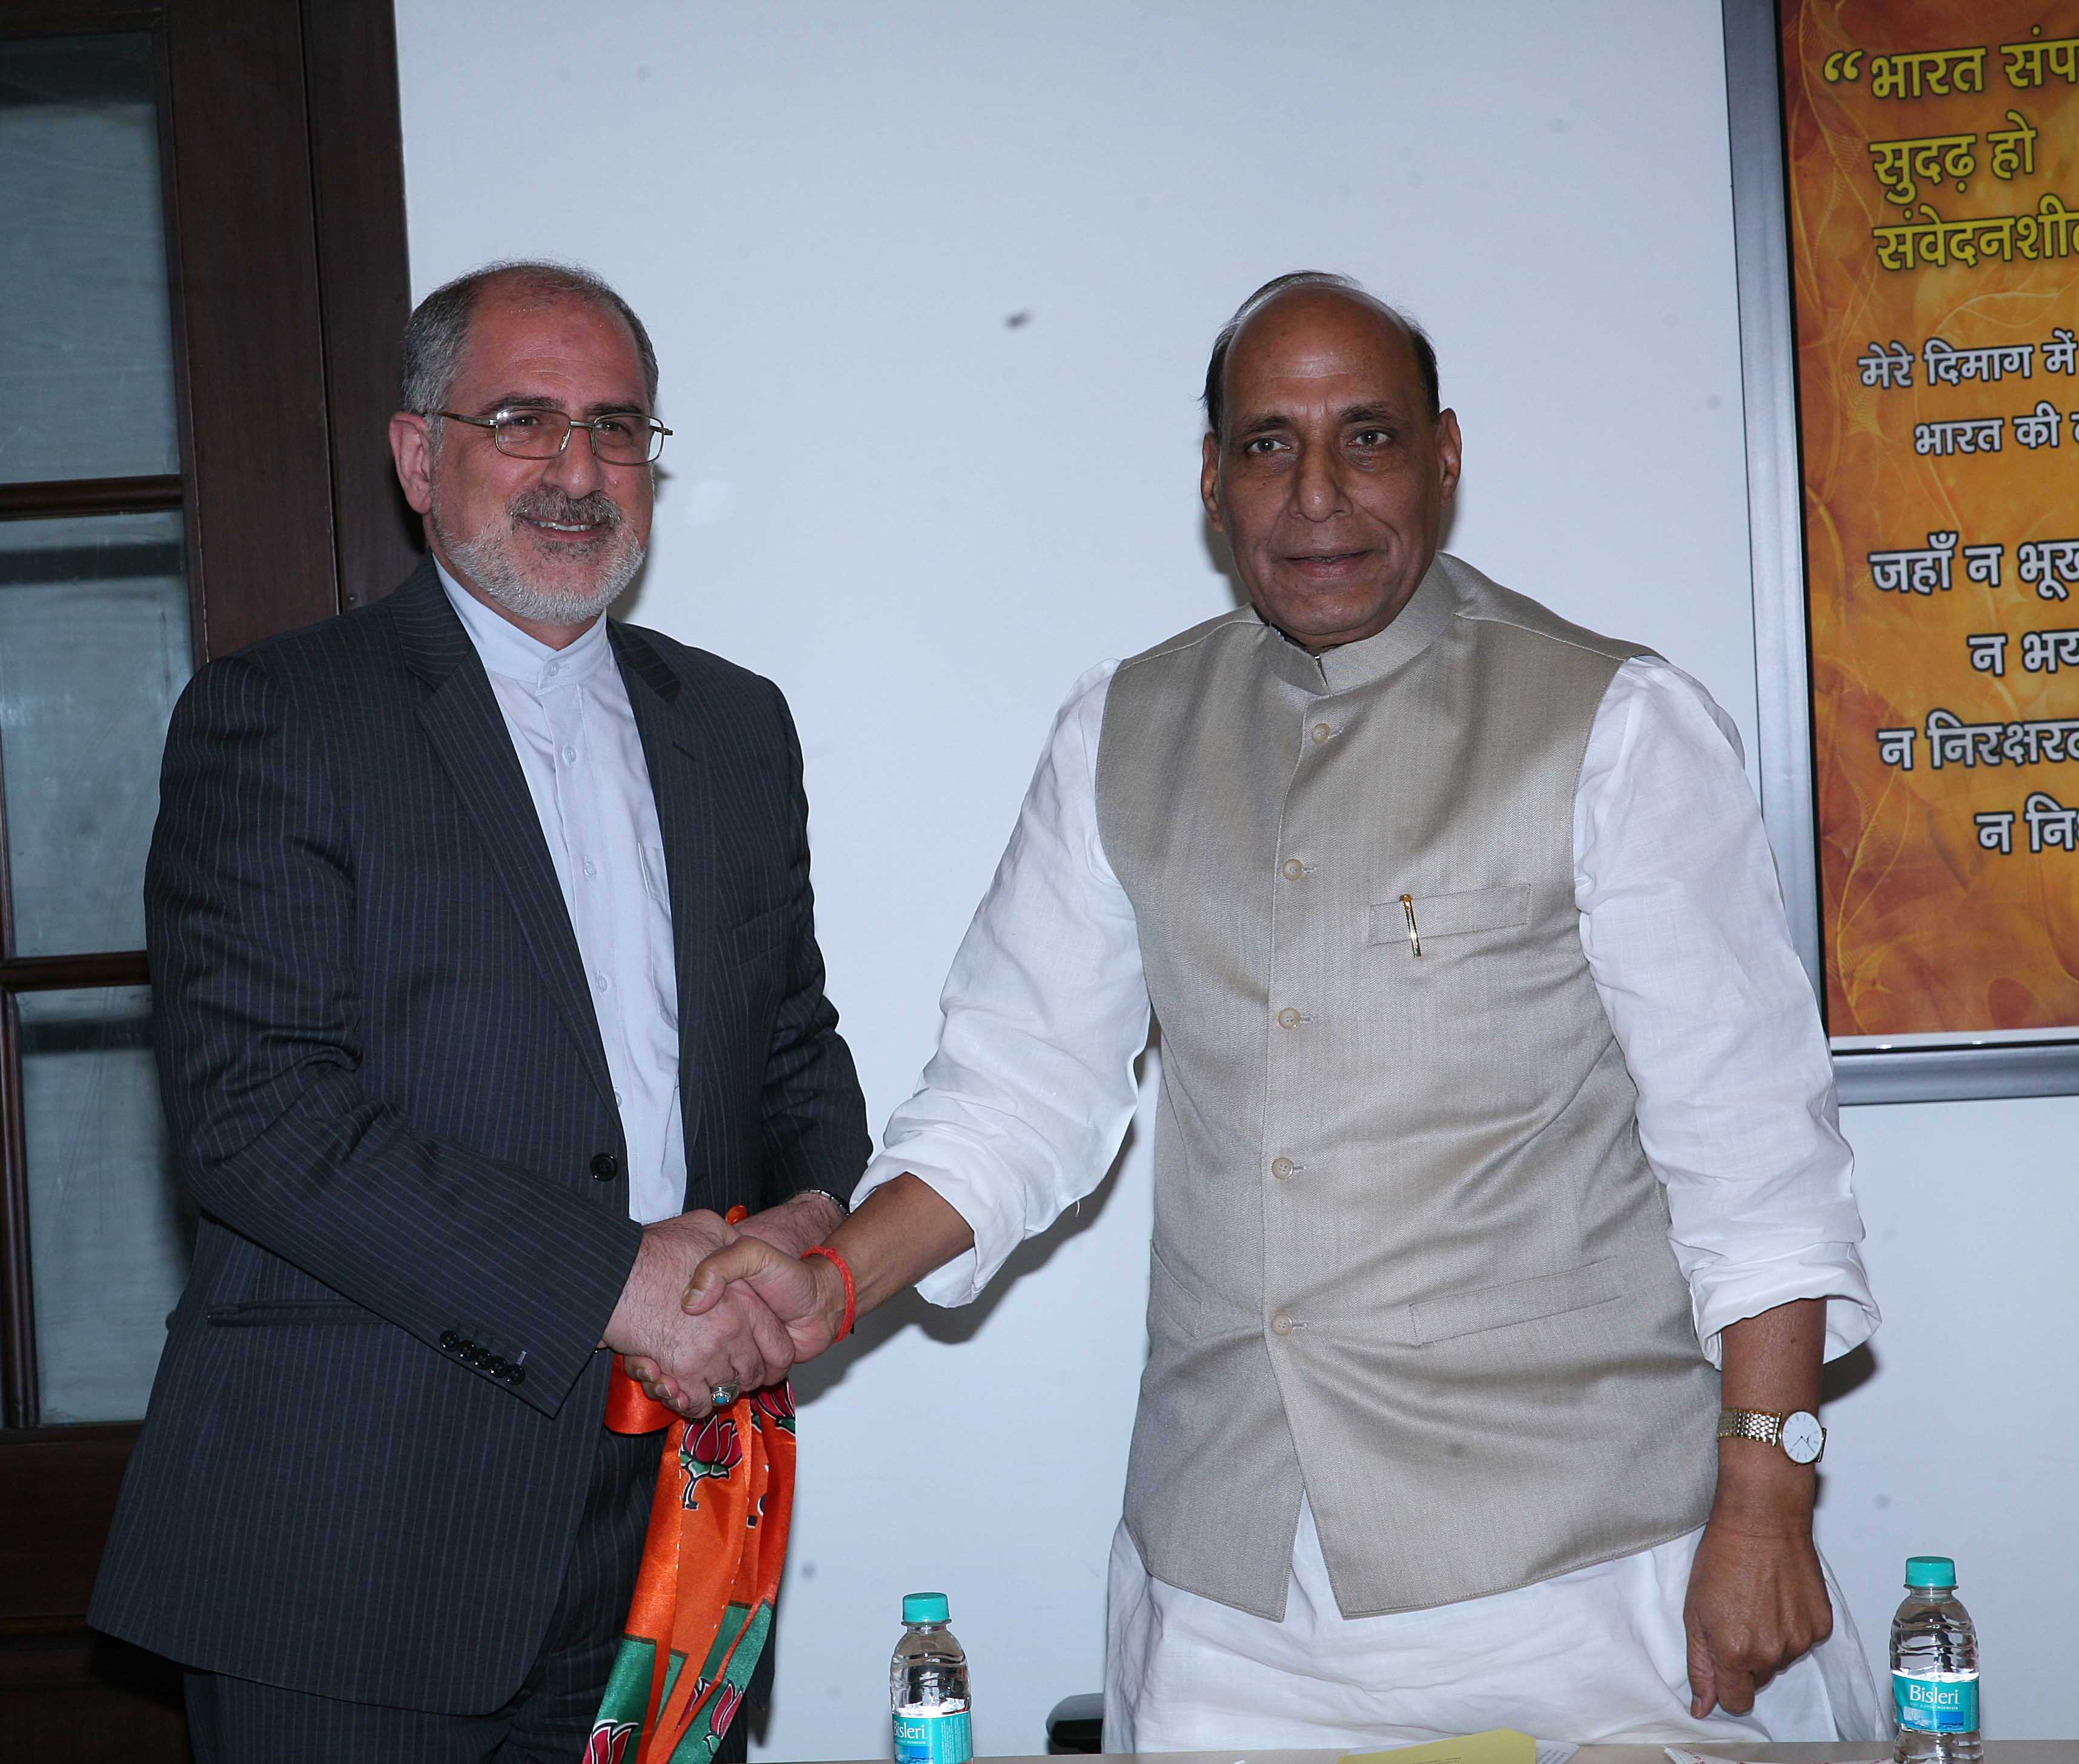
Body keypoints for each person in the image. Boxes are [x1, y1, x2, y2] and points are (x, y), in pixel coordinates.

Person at [670, 273, 1886, 1745]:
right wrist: (830, 1286)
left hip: (1580, 1575)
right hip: (1227, 1601)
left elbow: (1752, 1151)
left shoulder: (1617, 727)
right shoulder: (1119, 731)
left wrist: (1766, 1493)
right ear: (1211, 481)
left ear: (1443, 459)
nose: (1318, 495)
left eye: (1365, 438)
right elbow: (1015, 1094)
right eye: (1268, 444)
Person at [88, 260, 866, 1763]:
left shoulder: (738, 726)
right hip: (357, 1554)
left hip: (674, 1538)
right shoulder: (281, 716)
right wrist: (618, 1285)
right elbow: (258, 1119)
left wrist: (800, 1230)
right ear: (418, 453)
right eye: (524, 420)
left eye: (618, 427)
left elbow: (794, 1050)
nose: (579, 471)